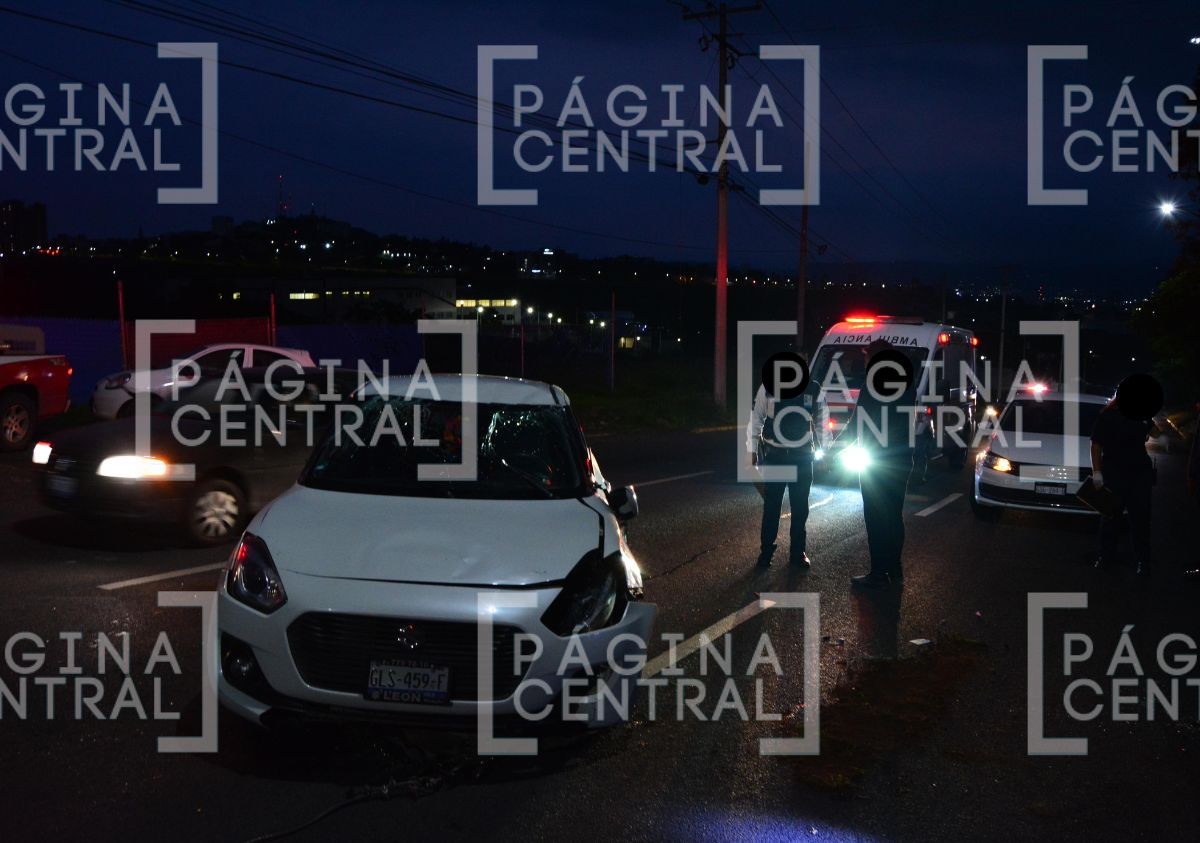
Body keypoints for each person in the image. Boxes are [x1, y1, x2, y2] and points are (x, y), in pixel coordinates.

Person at [843, 339, 919, 590]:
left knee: (875, 516)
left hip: (876, 460)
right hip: (901, 458)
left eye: (868, 358)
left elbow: (857, 421)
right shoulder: (906, 383)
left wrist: (835, 449)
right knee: (894, 515)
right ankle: (894, 569)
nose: (866, 363)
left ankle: (878, 573)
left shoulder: (873, 383)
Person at [745, 354, 821, 569]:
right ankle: (766, 553)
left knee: (800, 509)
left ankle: (797, 553)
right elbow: (756, 418)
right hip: (776, 456)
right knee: (772, 507)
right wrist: (751, 449)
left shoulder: (813, 388)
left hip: (802, 458)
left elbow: (821, 419)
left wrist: (826, 448)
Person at [1089, 374, 1167, 576]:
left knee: (1141, 520)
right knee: (1110, 518)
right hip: (1114, 473)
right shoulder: (1107, 416)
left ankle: (1143, 561)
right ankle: (1105, 557)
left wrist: (1154, 423)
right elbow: (1096, 445)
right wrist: (1097, 473)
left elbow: (1157, 434)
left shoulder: (1141, 416)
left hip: (1139, 475)